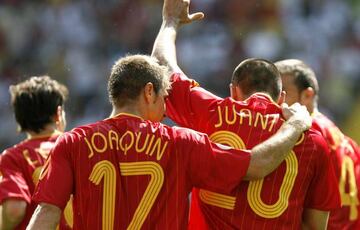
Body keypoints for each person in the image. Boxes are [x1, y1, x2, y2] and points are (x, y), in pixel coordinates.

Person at [27, 54, 311, 230]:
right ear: (149, 92)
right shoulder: (181, 143)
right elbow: (257, 164)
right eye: (164, 98)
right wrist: (295, 125)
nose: (165, 111)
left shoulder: (72, 143)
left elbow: (46, 213)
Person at [151, 0, 341, 229]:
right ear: (281, 97)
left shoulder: (212, 112)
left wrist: (170, 21)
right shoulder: (313, 141)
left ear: (233, 91)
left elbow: (162, 66)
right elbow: (315, 226)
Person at [275, 59, 360, 229]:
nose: (277, 100)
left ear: (307, 95)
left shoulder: (305, 133)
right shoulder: (348, 143)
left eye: (283, 92)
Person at [0, 76, 73, 230]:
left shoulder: (14, 157)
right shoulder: (82, 148)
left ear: (19, 119)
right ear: (58, 114)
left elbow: (14, 210)